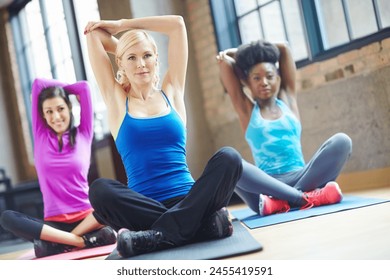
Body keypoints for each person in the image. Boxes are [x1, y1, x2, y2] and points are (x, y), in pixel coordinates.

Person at [84, 15, 242, 258]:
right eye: (132, 59)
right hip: (143, 207)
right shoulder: (117, 100)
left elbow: (178, 24)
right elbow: (93, 35)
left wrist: (123, 26)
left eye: (147, 56)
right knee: (100, 190)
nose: (141, 64)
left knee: (230, 158)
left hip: (190, 198)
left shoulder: (173, 90)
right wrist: (128, 50)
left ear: (156, 59)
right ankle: (200, 228)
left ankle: (157, 236)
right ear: (121, 64)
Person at [216, 40, 352, 216]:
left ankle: (283, 201)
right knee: (230, 162)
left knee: (342, 141)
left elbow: (284, 48)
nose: (264, 82)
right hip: (265, 185)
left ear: (278, 79)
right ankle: (306, 198)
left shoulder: (288, 99)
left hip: (302, 176)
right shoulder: (246, 110)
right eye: (256, 78)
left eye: (269, 76)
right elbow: (224, 63)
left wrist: (246, 52)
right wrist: (240, 55)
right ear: (247, 83)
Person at [0, 78, 116, 258]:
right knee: (7, 217)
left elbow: (84, 87)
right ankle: (80, 241)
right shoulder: (40, 136)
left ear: (69, 108)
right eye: (49, 111)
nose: (56, 117)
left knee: (109, 205)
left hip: (88, 218)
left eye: (60, 108)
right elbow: (38, 83)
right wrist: (58, 92)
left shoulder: (83, 132)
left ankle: (61, 244)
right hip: (55, 224)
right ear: (43, 115)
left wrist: (61, 90)